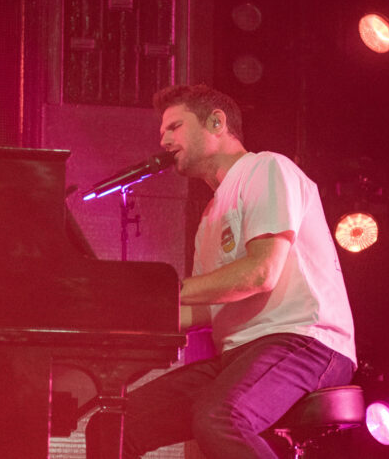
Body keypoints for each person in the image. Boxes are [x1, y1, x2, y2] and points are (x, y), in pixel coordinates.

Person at [88, 84, 356, 458]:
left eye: (175, 127)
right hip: (240, 355)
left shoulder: (266, 168)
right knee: (113, 427)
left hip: (304, 342)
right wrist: (126, 319)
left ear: (216, 123)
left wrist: (161, 291)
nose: (164, 141)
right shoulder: (210, 216)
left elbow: (260, 273)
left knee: (219, 417)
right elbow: (207, 309)